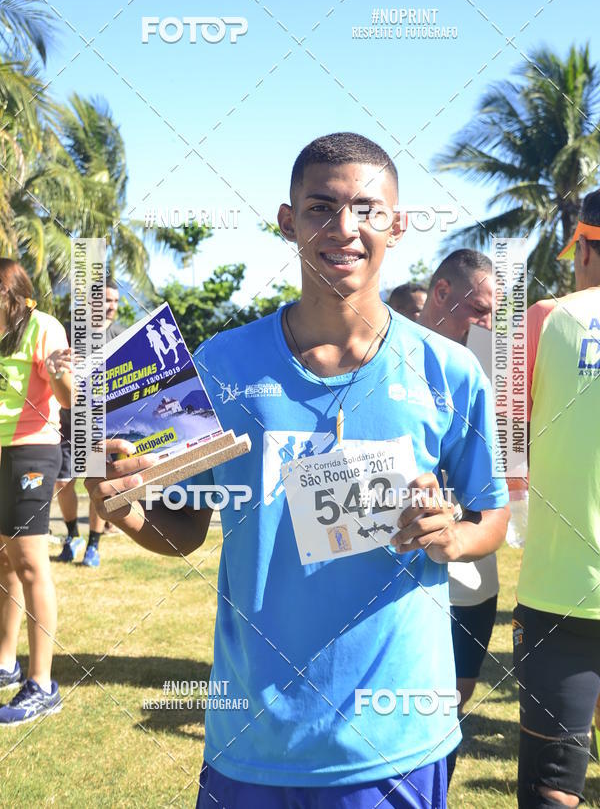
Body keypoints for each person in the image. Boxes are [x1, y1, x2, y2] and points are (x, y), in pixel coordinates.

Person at [87, 133, 509, 808]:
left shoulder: (448, 370)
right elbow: (187, 528)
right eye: (321, 208)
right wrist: (128, 510)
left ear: (397, 226)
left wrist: (455, 537)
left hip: (392, 739)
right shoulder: (224, 366)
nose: (345, 228)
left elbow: (491, 516)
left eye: (368, 210)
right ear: (289, 222)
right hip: (253, 743)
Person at [514, 191, 600, 808]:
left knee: (552, 789)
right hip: (559, 592)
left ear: (588, 250)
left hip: (558, 589)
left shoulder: (542, 318)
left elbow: (501, 450)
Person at [418, 250, 502, 781]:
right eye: (480, 311)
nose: (488, 325)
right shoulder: (380, 353)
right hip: (397, 574)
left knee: (454, 696)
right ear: (443, 293)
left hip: (471, 569)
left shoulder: (486, 368)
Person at [0, 259, 71, 723]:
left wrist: (58, 371)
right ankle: (6, 663)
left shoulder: (45, 328)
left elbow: (68, 398)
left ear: (12, 296)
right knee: (4, 561)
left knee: (29, 563)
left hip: (32, 452)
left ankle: (42, 684)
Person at [56, 277, 125, 567]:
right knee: (62, 482)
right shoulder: (68, 333)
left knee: (98, 485)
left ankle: (93, 547)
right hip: (67, 422)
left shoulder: (123, 336)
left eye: (115, 301)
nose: (111, 307)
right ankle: (72, 536)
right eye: (105, 300)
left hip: (102, 426)